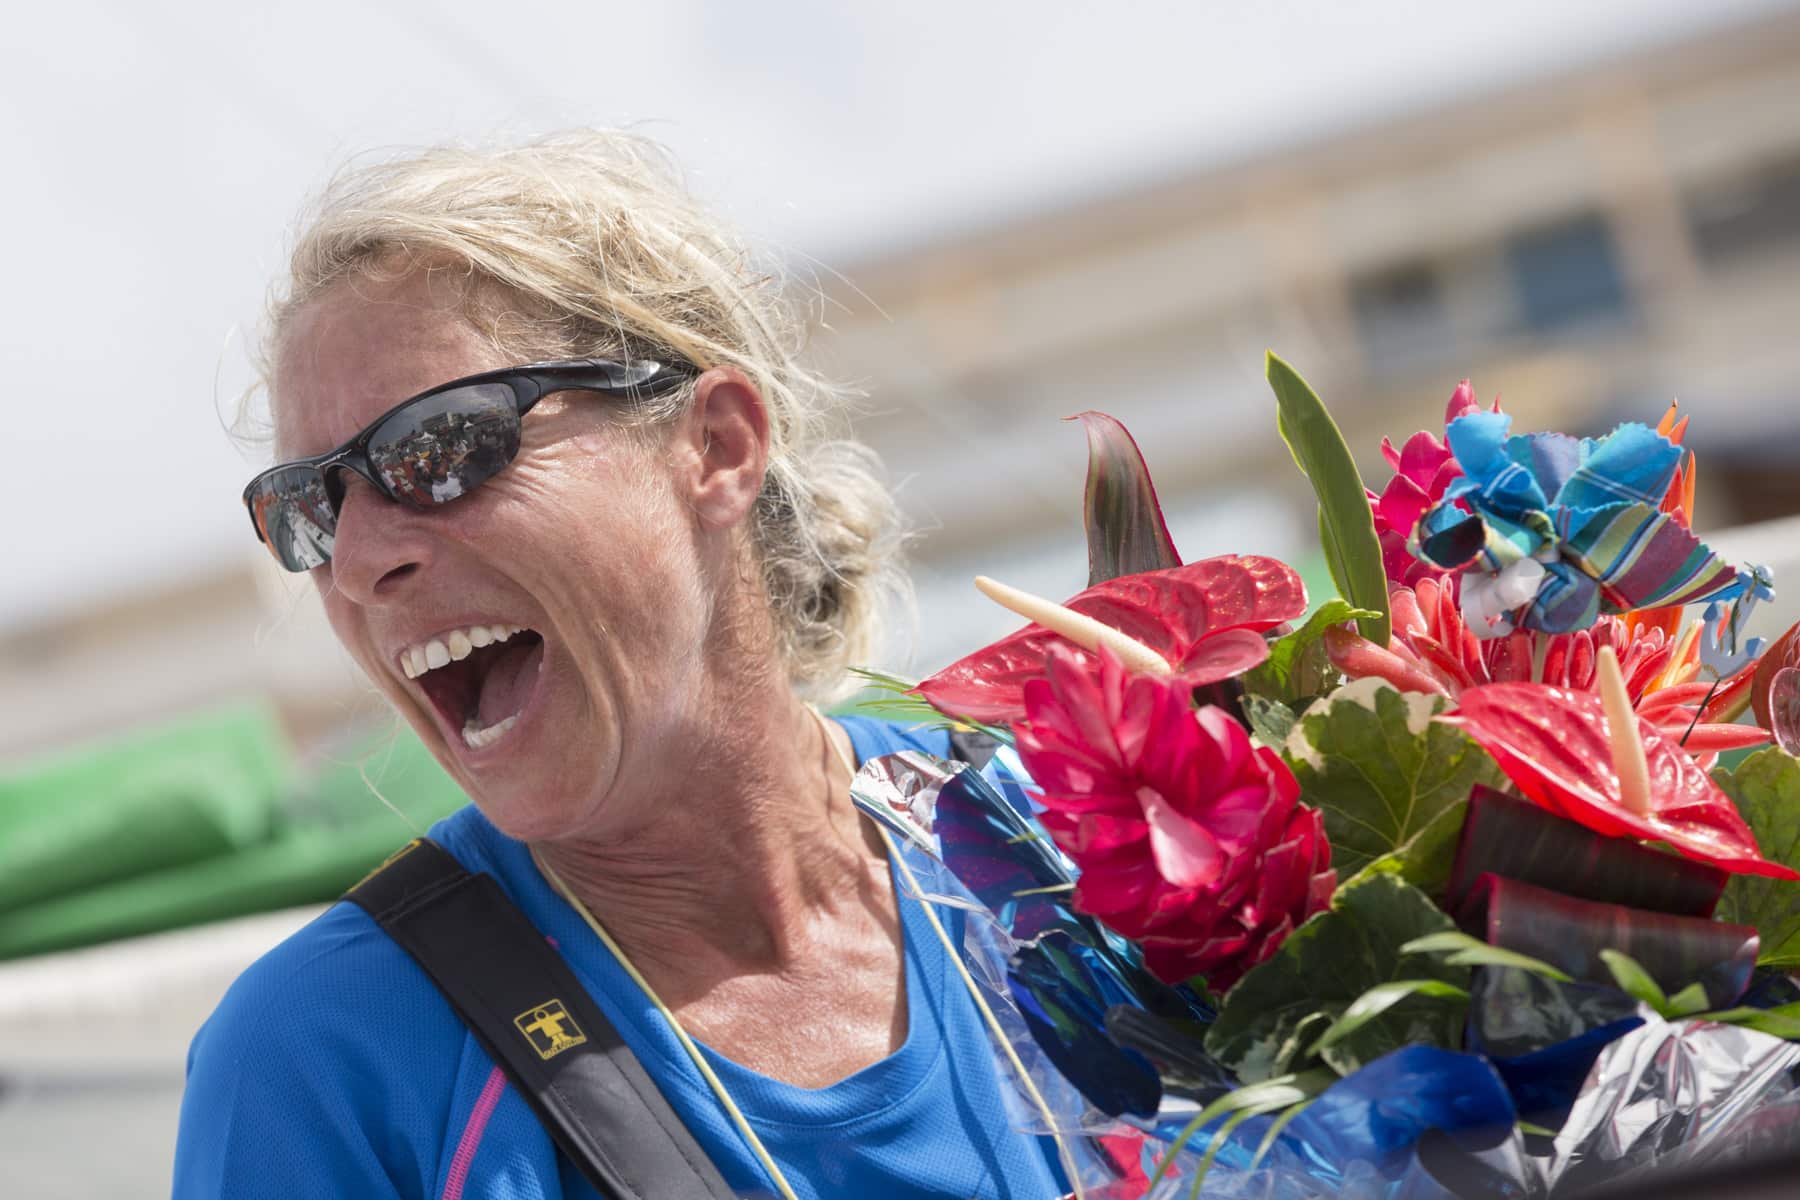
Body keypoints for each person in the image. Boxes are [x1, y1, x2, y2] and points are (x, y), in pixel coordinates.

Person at [174, 131, 1076, 1199]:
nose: (364, 561)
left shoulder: (1076, 837)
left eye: (441, 447)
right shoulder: (331, 1059)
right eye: (309, 510)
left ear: (719, 448)